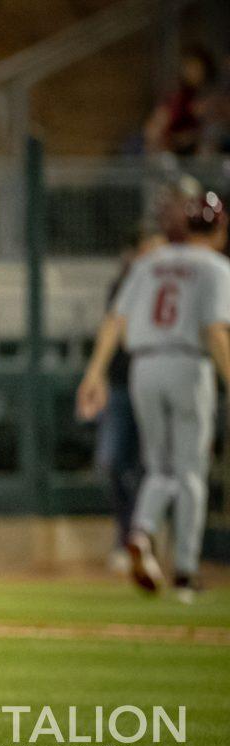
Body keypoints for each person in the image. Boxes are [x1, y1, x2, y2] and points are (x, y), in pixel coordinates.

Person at [77, 191, 230, 603]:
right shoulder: (216, 267)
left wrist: (94, 373)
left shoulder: (151, 262)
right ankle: (184, 572)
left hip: (144, 366)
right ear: (220, 228)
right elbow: (216, 331)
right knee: (190, 473)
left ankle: (141, 532)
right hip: (187, 363)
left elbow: (115, 319)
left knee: (158, 468)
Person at [95, 225, 165, 570]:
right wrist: (97, 377)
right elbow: (116, 331)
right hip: (123, 386)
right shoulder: (126, 282)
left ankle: (149, 540)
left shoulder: (171, 282)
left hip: (157, 383)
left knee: (155, 467)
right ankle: (126, 537)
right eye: (150, 249)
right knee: (116, 464)